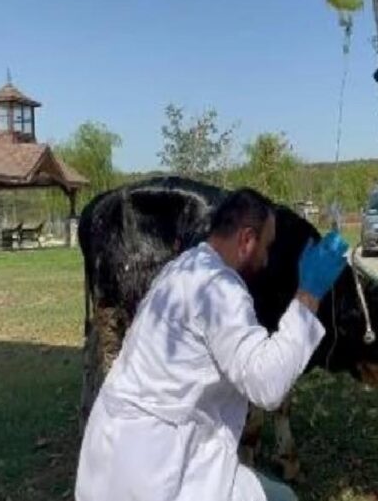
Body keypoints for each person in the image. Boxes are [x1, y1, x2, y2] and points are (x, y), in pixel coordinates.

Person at [75, 188, 350, 501]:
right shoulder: (220, 292)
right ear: (247, 240)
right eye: (267, 246)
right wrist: (309, 293)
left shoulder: (183, 268)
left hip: (110, 455)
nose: (267, 258)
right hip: (157, 470)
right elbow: (268, 383)